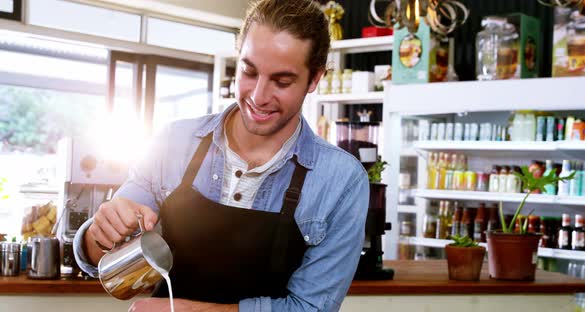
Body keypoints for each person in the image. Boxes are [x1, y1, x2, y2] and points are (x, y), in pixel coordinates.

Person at [74, 0, 369, 311]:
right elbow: (108, 263)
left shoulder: (341, 181)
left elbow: (311, 308)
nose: (258, 97)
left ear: (314, 79)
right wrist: (99, 234)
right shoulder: (173, 142)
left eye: (282, 81)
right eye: (249, 71)